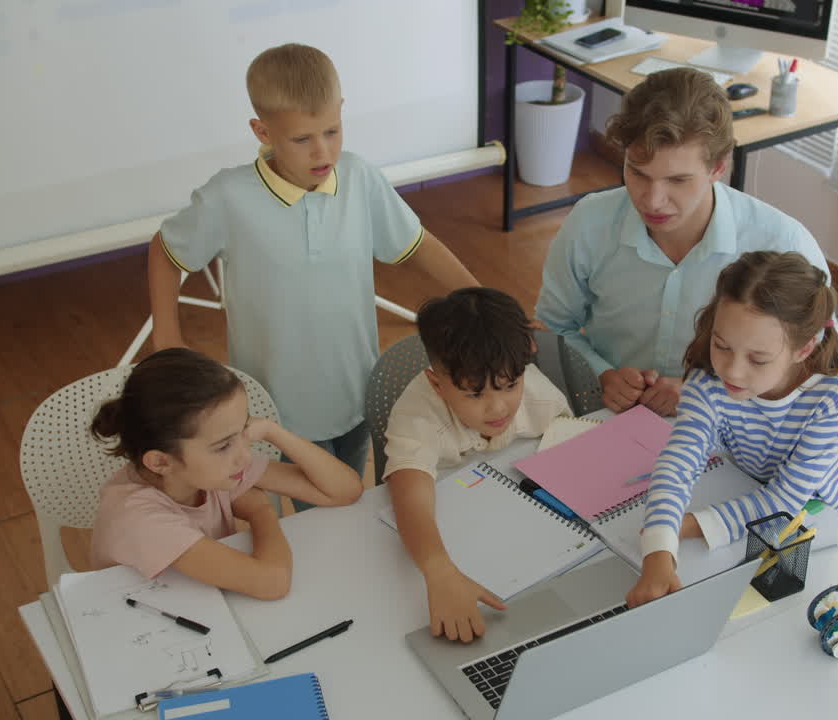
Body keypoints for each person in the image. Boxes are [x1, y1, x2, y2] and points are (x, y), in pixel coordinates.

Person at [146, 43, 479, 493]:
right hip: (278, 409)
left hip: (358, 387)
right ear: (262, 131)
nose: (322, 152)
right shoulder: (227, 197)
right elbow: (165, 252)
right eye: (302, 139)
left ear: (341, 111)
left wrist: (485, 303)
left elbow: (419, 246)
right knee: (324, 507)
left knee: (357, 488)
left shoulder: (360, 178)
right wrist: (167, 337)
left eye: (332, 131)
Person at [536, 67, 829, 417]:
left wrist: (705, 394)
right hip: (608, 413)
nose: (652, 200)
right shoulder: (589, 222)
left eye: (678, 180)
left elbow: (816, 367)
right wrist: (602, 375)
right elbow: (554, 328)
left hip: (734, 430)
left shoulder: (783, 242)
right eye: (638, 173)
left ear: (718, 168)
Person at [626, 252, 838, 608]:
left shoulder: (835, 394)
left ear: (804, 348)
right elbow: (677, 463)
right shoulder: (707, 382)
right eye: (721, 345)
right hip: (764, 514)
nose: (732, 371)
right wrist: (658, 549)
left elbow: (784, 503)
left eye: (758, 359)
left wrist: (684, 527)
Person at [89, 348, 363, 600]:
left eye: (243, 431)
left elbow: (345, 490)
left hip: (202, 599)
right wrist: (261, 511)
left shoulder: (212, 469)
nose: (244, 454)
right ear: (161, 462)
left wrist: (271, 431)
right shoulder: (139, 519)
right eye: (223, 445)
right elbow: (273, 583)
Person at [385, 288, 572, 642]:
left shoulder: (541, 396)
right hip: (447, 544)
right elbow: (411, 500)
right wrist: (439, 573)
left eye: (510, 385)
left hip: (524, 545)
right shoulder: (416, 414)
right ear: (436, 384)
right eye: (475, 394)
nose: (498, 408)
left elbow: (571, 465)